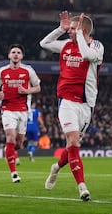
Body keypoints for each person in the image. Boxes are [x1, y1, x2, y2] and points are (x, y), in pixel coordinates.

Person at [39, 11, 104, 201]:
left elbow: (86, 55)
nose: (69, 32)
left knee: (73, 146)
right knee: (73, 142)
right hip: (66, 101)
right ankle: (82, 187)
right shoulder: (66, 45)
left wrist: (81, 36)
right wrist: (61, 28)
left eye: (73, 29)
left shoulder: (97, 46)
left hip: (86, 104)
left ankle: (56, 167)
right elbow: (44, 44)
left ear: (83, 30)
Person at [0, 43, 41, 183]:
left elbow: (37, 87)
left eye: (18, 52)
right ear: (9, 55)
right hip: (8, 109)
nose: (15, 54)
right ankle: (14, 173)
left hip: (23, 111)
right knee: (10, 136)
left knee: (18, 144)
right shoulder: (2, 71)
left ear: (22, 56)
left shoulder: (28, 71)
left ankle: (10, 151)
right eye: (13, 52)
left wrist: (27, 91)